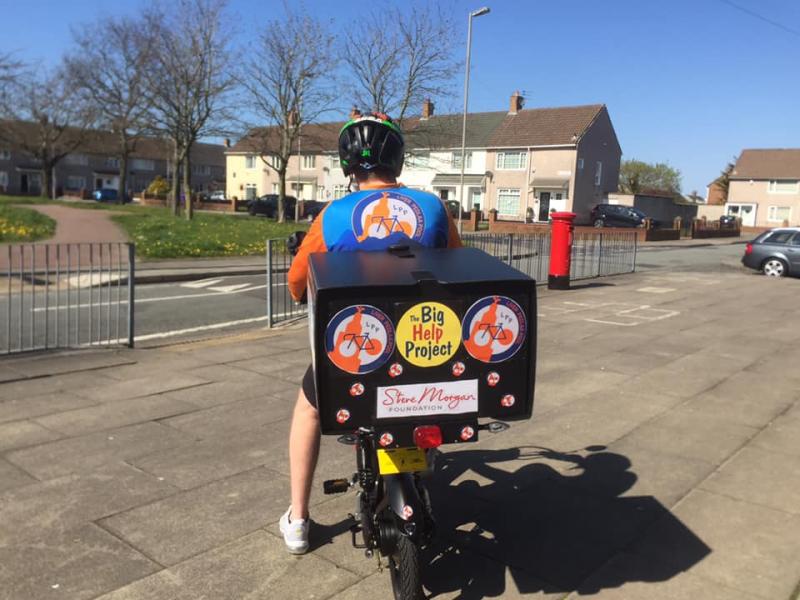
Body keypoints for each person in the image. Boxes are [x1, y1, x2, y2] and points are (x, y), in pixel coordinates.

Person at [279, 112, 462, 554]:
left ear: (348, 165)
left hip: (360, 349)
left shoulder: (335, 215)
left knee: (308, 409)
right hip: (426, 343)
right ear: (397, 160)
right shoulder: (433, 207)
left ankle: (299, 520)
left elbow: (297, 282)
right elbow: (458, 265)